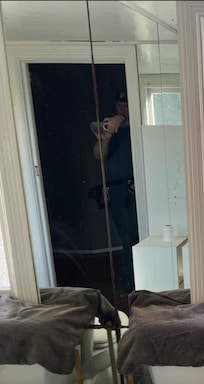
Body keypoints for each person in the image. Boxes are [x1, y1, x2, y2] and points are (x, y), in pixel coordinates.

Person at [92, 90, 139, 294]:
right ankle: (129, 285)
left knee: (137, 236)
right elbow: (98, 156)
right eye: (119, 106)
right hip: (118, 190)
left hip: (137, 186)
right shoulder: (111, 132)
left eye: (126, 105)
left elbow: (130, 121)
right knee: (128, 237)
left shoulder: (136, 125)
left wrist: (121, 119)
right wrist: (106, 138)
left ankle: (135, 283)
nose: (122, 109)